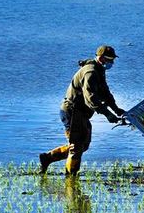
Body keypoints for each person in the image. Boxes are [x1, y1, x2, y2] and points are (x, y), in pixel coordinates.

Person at [39, 45, 125, 175]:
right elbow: (90, 98)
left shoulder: (99, 70)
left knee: (83, 145)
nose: (112, 63)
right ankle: (71, 177)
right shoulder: (90, 72)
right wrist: (108, 114)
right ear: (101, 58)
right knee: (77, 147)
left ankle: (47, 158)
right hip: (72, 111)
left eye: (113, 60)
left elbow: (105, 93)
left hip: (81, 113)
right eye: (109, 60)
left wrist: (116, 109)